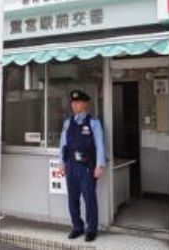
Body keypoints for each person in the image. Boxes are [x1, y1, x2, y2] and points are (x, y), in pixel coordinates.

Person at [59, 90, 106, 242]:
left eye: (78, 102)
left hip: (87, 166)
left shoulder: (93, 123)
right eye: (73, 102)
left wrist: (99, 165)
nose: (74, 105)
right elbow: (63, 145)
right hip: (71, 165)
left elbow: (99, 146)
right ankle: (77, 227)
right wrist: (62, 163)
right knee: (73, 198)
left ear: (85, 104)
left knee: (89, 197)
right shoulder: (68, 123)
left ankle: (91, 229)